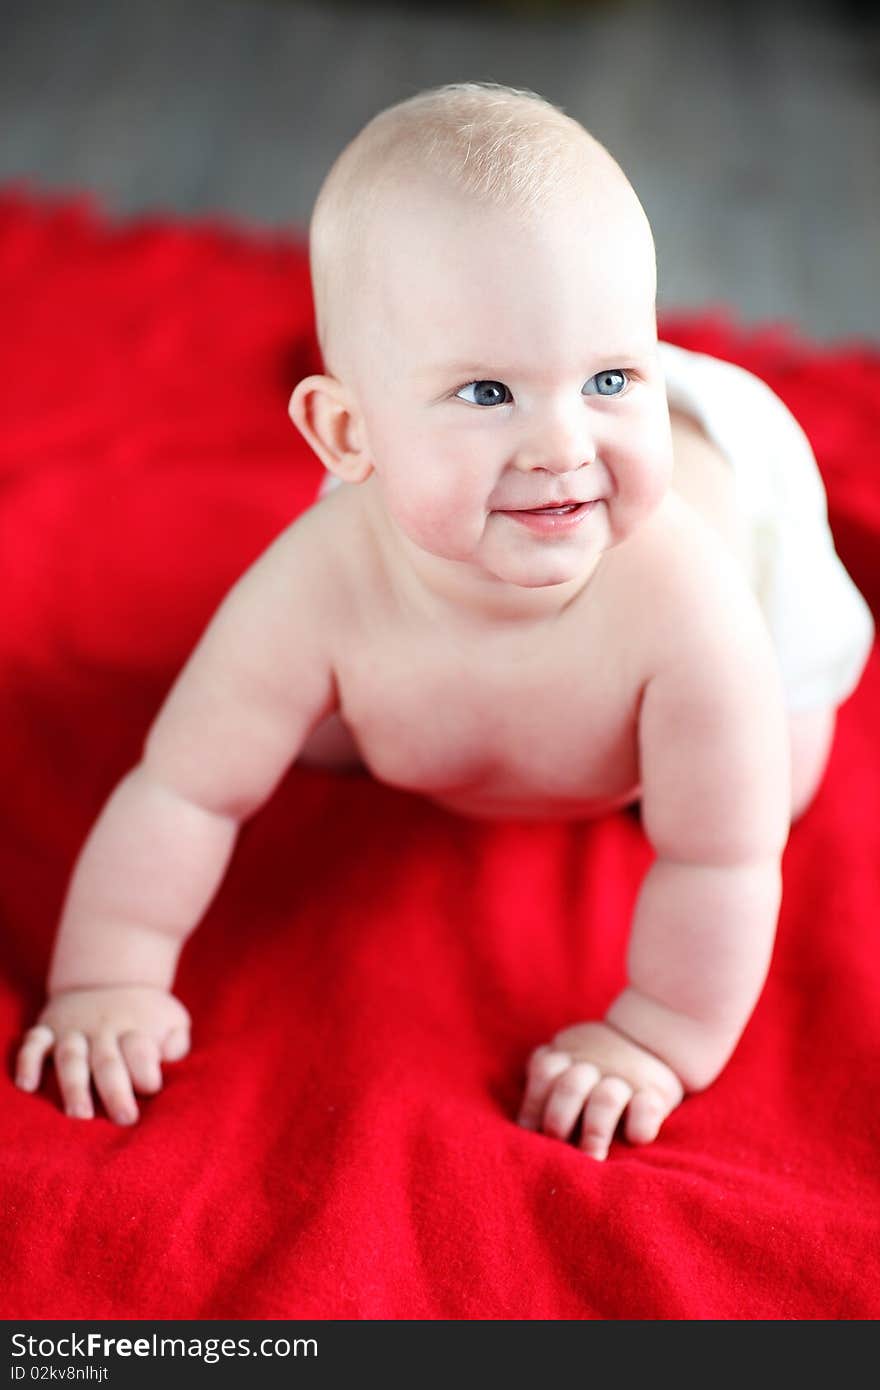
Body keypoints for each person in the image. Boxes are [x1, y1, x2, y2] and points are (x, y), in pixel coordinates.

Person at [15, 83, 874, 1161]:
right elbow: (184, 787)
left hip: (735, 494)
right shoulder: (320, 579)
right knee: (295, 722)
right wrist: (109, 976)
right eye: (484, 393)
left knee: (771, 785)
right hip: (412, 550)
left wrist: (652, 1039)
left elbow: (720, 866)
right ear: (345, 431)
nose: (562, 443)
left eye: (611, 375)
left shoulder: (693, 609)